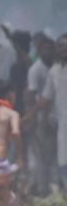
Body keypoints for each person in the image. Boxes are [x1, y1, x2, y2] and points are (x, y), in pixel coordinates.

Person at [26, 34, 57, 195]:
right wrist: (35, 119)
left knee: (55, 154)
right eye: (45, 49)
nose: (49, 52)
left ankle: (54, 187)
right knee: (42, 155)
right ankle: (41, 189)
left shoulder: (58, 68)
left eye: (51, 49)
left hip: (58, 118)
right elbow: (32, 97)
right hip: (42, 119)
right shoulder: (35, 69)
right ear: (39, 51)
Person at [38, 33, 67, 191]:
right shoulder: (54, 71)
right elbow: (45, 99)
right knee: (63, 163)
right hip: (63, 126)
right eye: (61, 45)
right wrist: (28, 117)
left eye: (66, 45)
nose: (64, 48)